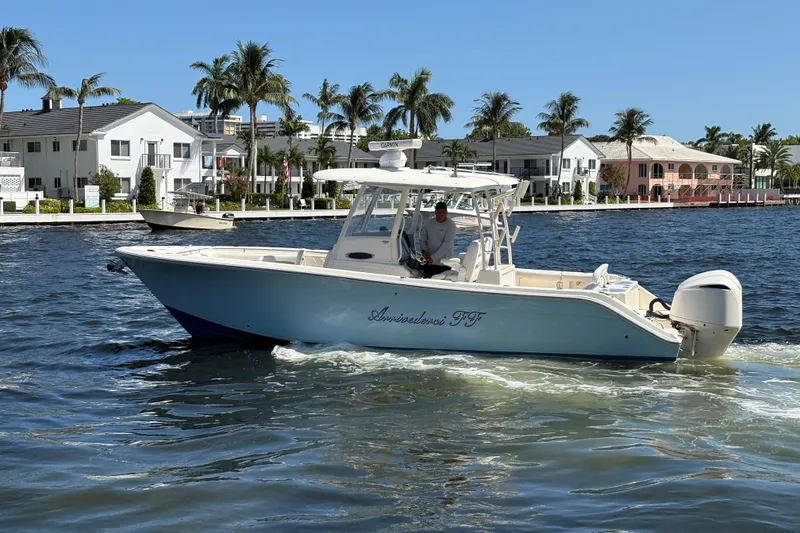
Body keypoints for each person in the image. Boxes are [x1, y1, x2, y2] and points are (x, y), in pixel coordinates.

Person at [419, 201, 456, 278]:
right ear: (435, 212)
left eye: (443, 212)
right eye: (439, 212)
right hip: (430, 262)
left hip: (444, 263)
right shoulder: (428, 223)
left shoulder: (451, 224)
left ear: (446, 213)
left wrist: (433, 258)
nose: (441, 214)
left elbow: (447, 244)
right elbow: (423, 240)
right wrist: (424, 251)